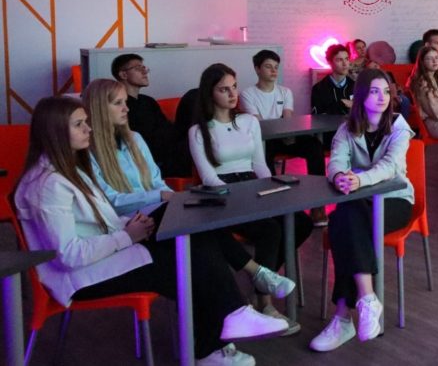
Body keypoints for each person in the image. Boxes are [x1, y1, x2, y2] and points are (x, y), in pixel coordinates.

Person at [15, 96, 290, 365]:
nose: (88, 129)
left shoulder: (68, 170)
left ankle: (225, 327)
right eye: (79, 124)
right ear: (55, 132)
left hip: (108, 251)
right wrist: (127, 235)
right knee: (188, 262)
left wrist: (129, 226)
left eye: (86, 122)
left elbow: (98, 221)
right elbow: (69, 255)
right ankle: (221, 332)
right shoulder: (49, 185)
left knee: (191, 232)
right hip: (82, 276)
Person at [83, 79, 298, 325]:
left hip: (161, 211)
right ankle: (253, 278)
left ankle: (239, 304)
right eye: (118, 103)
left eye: (125, 102)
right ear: (100, 109)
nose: (127, 108)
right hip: (132, 225)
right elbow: (110, 202)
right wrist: (161, 197)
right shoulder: (89, 153)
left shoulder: (135, 139)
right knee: (203, 232)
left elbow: (157, 180)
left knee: (203, 231)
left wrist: (170, 198)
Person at [189, 63, 313, 330]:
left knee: (301, 222)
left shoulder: (248, 122)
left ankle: (259, 279)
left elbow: (260, 164)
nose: (232, 94)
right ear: (210, 93)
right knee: (269, 229)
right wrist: (239, 195)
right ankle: (265, 302)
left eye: (234, 87)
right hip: (222, 192)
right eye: (224, 89)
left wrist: (272, 189)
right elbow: (208, 177)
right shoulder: (199, 131)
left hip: (253, 184)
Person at [311, 70, 415, 352]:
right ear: (360, 96)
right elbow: (336, 162)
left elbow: (391, 167)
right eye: (374, 91)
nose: (382, 97)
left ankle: (343, 318)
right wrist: (339, 177)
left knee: (343, 222)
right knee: (347, 219)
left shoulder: (399, 127)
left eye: (386, 91)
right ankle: (367, 299)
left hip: (396, 201)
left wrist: (359, 179)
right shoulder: (347, 129)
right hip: (359, 202)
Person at [242, 50, 328, 224]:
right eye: (268, 66)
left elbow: (288, 120)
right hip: (264, 140)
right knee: (264, 154)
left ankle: (318, 206)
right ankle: (275, 205)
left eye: (276, 67)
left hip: (285, 135)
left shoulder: (285, 92)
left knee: (315, 146)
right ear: (257, 69)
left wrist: (288, 133)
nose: (274, 71)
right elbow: (259, 125)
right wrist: (282, 128)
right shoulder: (247, 94)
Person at [111, 54, 188, 176]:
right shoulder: (117, 107)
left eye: (144, 68)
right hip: (143, 159)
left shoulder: (148, 101)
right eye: (138, 68)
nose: (144, 72)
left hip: (166, 154)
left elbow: (168, 130)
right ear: (123, 75)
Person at [311, 44, 356, 118]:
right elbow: (317, 117)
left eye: (347, 59)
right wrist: (342, 103)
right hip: (328, 126)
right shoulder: (319, 89)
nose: (345, 64)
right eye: (339, 60)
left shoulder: (356, 86)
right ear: (329, 62)